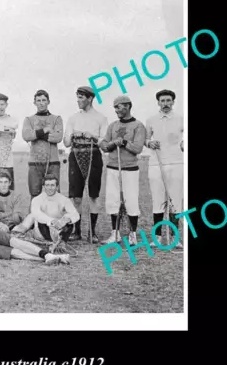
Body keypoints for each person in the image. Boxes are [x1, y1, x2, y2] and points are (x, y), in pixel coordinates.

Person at [63, 86, 108, 242]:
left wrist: (93, 136)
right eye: (77, 97)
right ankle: (77, 231)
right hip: (75, 156)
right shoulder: (73, 118)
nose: (78, 101)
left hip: (94, 156)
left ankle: (92, 232)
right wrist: (72, 134)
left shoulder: (101, 118)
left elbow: (104, 144)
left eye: (81, 97)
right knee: (76, 197)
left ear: (90, 98)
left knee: (94, 195)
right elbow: (66, 142)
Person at [100, 95, 146, 246]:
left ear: (127, 106)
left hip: (130, 169)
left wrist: (125, 142)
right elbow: (105, 146)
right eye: (114, 107)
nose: (116, 110)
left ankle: (132, 234)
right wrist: (114, 143)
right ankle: (115, 234)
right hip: (113, 167)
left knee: (131, 201)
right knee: (113, 201)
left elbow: (138, 148)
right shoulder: (113, 125)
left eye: (118, 107)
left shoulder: (138, 125)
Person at [145, 89, 183, 248]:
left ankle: (175, 238)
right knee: (158, 201)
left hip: (176, 163)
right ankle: (158, 237)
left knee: (176, 201)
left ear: (173, 102)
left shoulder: (181, 118)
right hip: (156, 163)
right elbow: (145, 139)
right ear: (158, 103)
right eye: (163, 101)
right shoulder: (151, 120)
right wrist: (149, 143)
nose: (166, 104)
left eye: (168, 100)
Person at [22, 89, 63, 199]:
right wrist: (45, 130)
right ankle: (34, 216)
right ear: (34, 102)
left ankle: (54, 216)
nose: (41, 103)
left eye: (44, 100)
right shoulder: (29, 119)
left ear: (48, 102)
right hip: (34, 162)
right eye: (38, 100)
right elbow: (26, 136)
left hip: (53, 162)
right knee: (34, 194)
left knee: (54, 194)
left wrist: (36, 134)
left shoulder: (57, 119)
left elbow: (58, 137)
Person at [25, 174, 80, 246]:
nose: (49, 188)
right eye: (47, 185)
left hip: (59, 228)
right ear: (43, 186)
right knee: (40, 220)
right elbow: (36, 213)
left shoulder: (64, 199)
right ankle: (51, 242)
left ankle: (62, 242)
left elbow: (76, 214)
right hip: (44, 229)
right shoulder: (37, 199)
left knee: (69, 220)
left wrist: (66, 220)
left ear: (57, 187)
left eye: (52, 185)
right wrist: (52, 221)